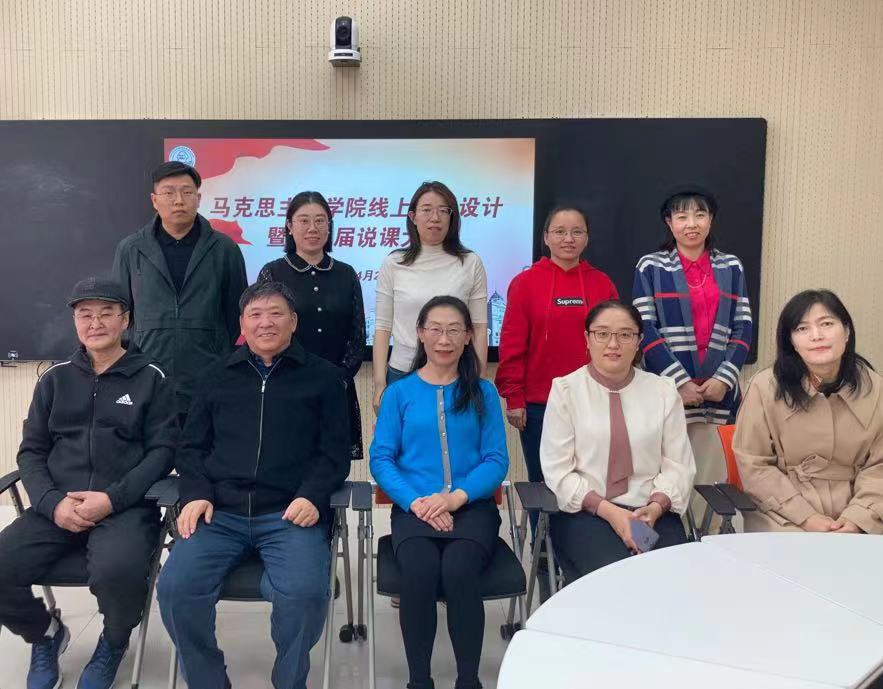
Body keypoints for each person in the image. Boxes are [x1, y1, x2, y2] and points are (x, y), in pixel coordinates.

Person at [157, 281, 350, 689]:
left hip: (288, 512)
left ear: (293, 321)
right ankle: (208, 681)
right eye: (255, 314)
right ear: (242, 324)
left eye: (276, 313)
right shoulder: (215, 376)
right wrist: (196, 494)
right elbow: (190, 448)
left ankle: (289, 680)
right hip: (219, 512)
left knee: (305, 593)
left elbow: (334, 453)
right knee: (175, 588)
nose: (266, 323)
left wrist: (312, 495)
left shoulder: (325, 378)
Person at [0, 277, 177, 689]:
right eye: (85, 315)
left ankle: (113, 643)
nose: (95, 323)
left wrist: (112, 499)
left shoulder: (151, 378)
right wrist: (51, 502)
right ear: (75, 322)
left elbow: (163, 452)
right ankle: (45, 634)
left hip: (124, 507)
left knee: (120, 571)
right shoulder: (55, 379)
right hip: (57, 505)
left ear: (125, 320)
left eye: (106, 313)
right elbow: (31, 451)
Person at [370, 296, 509, 689]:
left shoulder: (483, 392)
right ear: (420, 334)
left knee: (459, 569)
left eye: (453, 330)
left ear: (468, 337)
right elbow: (381, 458)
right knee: (419, 570)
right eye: (435, 329)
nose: (443, 339)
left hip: (471, 508)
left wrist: (454, 498)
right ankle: (419, 680)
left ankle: (468, 680)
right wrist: (416, 502)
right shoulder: (399, 393)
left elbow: (496, 459)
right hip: (414, 508)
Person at [541, 300, 696, 583]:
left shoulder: (663, 391)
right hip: (588, 513)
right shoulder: (566, 391)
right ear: (587, 339)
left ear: (638, 342)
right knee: (617, 579)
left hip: (650, 512)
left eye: (625, 335)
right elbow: (558, 470)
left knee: (669, 579)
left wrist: (655, 507)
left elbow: (678, 464)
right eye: (602, 334)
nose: (613, 344)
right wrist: (611, 513)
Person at [496, 204, 618, 503]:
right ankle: (541, 534)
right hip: (541, 404)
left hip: (594, 400)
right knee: (544, 485)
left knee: (593, 482)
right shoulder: (524, 284)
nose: (568, 239)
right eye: (560, 232)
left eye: (577, 232)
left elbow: (618, 342)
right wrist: (514, 397)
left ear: (586, 238)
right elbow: (512, 343)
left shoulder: (601, 283)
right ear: (546, 237)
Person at [733, 289, 882, 534]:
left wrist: (858, 519)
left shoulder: (875, 389)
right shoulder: (765, 387)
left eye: (826, 324)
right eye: (802, 328)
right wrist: (806, 517)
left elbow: (879, 468)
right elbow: (754, 464)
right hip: (782, 512)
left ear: (846, 332)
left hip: (861, 510)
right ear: (791, 341)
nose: (816, 336)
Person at [632, 187, 752, 489]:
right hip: (667, 388)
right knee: (662, 481)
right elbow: (644, 328)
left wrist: (724, 379)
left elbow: (743, 327)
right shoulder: (651, 266)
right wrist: (679, 382)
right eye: (682, 216)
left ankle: (705, 525)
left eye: (700, 215)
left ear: (711, 220)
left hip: (717, 391)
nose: (692, 224)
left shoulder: (731, 266)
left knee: (711, 482)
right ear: (669, 222)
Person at [112, 161, 248, 421]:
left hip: (208, 377)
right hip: (147, 375)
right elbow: (121, 313)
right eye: (169, 192)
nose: (178, 201)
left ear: (198, 198)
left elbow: (236, 314)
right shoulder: (131, 249)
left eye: (187, 192)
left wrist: (213, 346)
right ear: (154, 200)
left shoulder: (224, 249)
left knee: (202, 446)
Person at [257, 191, 366, 459]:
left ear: (329, 226)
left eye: (320, 220)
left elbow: (357, 335)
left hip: (336, 386)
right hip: (285, 385)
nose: (312, 228)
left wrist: (339, 377)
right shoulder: (273, 272)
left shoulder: (346, 274)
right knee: (284, 460)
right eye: (304, 220)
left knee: (331, 465)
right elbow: (264, 331)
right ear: (289, 226)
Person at [373, 181, 489, 413]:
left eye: (443, 210)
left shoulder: (470, 262)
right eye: (426, 210)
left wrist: (479, 380)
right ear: (413, 217)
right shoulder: (394, 263)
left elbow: (478, 327)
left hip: (456, 373)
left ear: (452, 217)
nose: (435, 218)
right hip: (403, 372)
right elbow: (382, 327)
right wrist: (379, 385)